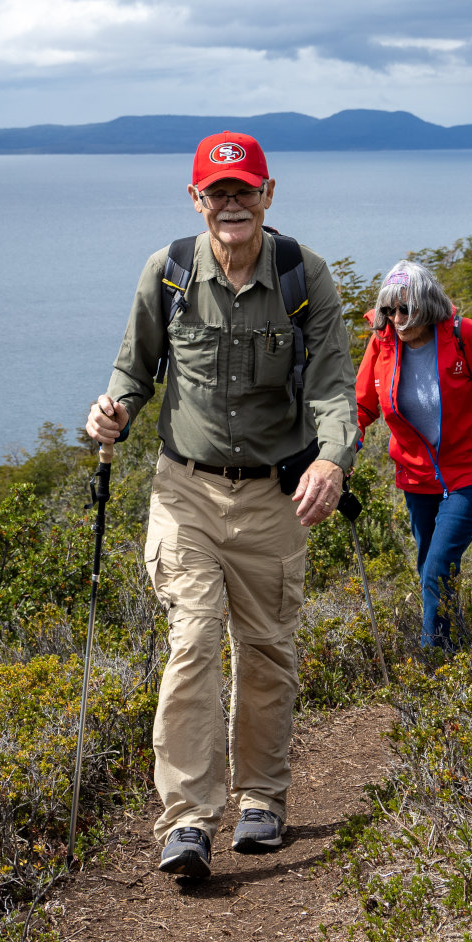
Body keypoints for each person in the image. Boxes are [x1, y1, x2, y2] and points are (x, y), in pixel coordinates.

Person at [85, 131, 358, 883]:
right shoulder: (167, 271)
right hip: (187, 492)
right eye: (217, 192)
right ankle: (188, 819)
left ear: (267, 195)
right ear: (196, 198)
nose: (230, 204)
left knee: (268, 648)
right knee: (193, 641)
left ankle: (262, 797)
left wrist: (332, 458)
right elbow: (131, 370)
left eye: (244, 191)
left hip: (275, 495)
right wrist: (111, 412)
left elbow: (333, 385)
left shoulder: (305, 275)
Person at [356, 260, 472, 655]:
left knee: (438, 567)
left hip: (471, 472)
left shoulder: (465, 335)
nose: (397, 320)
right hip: (416, 475)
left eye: (406, 309)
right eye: (389, 311)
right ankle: (456, 648)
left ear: (427, 304)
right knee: (431, 570)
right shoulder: (382, 343)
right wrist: (338, 452)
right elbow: (362, 407)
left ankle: (434, 665)